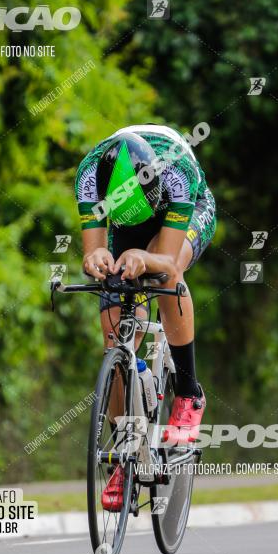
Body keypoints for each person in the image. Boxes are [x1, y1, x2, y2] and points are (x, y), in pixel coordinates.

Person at [74, 124, 216, 510]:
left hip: (184, 213)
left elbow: (166, 259)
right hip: (127, 221)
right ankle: (127, 452)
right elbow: (94, 251)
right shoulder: (89, 176)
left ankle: (188, 393)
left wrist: (146, 258)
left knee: (164, 276)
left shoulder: (177, 176)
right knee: (115, 329)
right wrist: (96, 259)